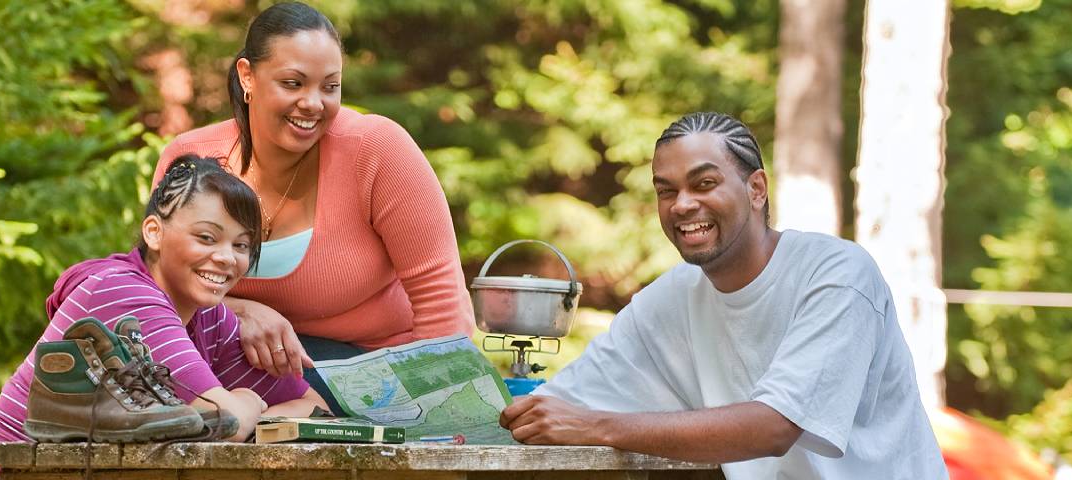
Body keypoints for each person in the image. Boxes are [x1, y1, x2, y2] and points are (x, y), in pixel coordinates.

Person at [498, 112, 946, 479]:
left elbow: (774, 426)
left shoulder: (837, 274)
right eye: (665, 191)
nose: (682, 204)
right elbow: (559, 407)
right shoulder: (669, 299)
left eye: (704, 184)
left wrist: (595, 427)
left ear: (756, 189)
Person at [0, 155, 326, 480]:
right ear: (154, 232)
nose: (227, 257)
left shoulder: (211, 317)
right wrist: (246, 399)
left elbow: (313, 408)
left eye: (241, 245)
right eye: (207, 238)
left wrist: (244, 414)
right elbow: (223, 420)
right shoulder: (120, 292)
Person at [155, 1, 472, 377]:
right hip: (233, 361)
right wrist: (239, 309)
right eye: (293, 83)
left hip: (373, 369)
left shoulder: (376, 149)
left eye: (330, 87)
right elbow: (157, 284)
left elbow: (441, 296)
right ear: (247, 76)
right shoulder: (193, 158)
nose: (312, 103)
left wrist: (443, 403)